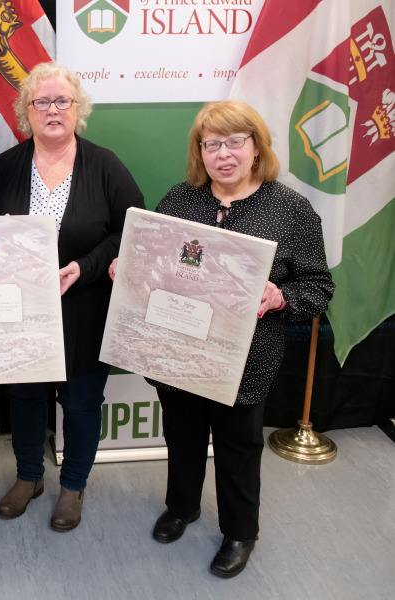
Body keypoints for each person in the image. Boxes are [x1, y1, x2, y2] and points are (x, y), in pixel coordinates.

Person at [109, 100, 334, 578]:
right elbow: (157, 264)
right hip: (176, 352)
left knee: (237, 447)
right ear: (200, 152)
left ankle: (239, 531)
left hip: (244, 360)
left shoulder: (290, 209)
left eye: (235, 142)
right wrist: (129, 268)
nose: (223, 154)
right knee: (182, 436)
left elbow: (318, 288)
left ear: (256, 148)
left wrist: (279, 297)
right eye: (212, 144)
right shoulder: (179, 199)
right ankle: (182, 507)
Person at [0, 61, 144, 532]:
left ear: (78, 110)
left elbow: (133, 229)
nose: (52, 110)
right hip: (22, 312)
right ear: (25, 111)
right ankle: (29, 477)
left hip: (85, 307)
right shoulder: (3, 168)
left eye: (62, 101)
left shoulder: (105, 165)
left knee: (79, 402)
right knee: (26, 397)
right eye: (41, 102)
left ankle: (73, 485)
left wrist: (87, 267)